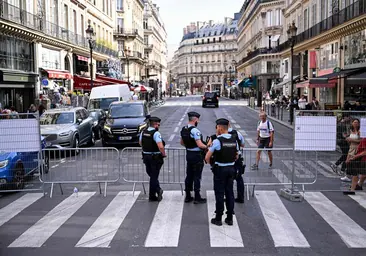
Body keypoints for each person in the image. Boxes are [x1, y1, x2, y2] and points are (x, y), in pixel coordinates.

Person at [205, 118, 238, 226]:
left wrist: (212, 164)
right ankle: (229, 218)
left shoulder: (217, 141)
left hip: (220, 170)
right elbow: (237, 155)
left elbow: (207, 157)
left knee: (219, 194)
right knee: (230, 193)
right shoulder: (234, 139)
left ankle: (218, 218)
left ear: (220, 128)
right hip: (231, 169)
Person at [208, 122, 245, 203]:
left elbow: (210, 149)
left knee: (224, 181)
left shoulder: (219, 137)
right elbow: (243, 144)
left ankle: (224, 197)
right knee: (239, 178)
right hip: (236, 159)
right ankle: (240, 197)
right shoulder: (237, 133)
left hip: (224, 162)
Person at [180, 111, 208, 204]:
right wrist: (208, 147)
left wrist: (189, 147)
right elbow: (200, 145)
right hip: (197, 156)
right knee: (197, 176)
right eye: (198, 120)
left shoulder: (184, 129)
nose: (198, 122)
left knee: (189, 175)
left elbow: (181, 142)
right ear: (195, 119)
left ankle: (188, 196)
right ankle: (197, 197)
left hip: (189, 154)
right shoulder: (195, 130)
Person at [139, 116, 166, 202]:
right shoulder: (156, 133)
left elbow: (140, 143)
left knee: (151, 175)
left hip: (146, 156)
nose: (159, 126)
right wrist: (164, 154)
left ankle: (156, 192)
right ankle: (154, 194)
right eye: (158, 124)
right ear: (155, 124)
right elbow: (160, 146)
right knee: (154, 177)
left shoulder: (143, 132)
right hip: (155, 157)